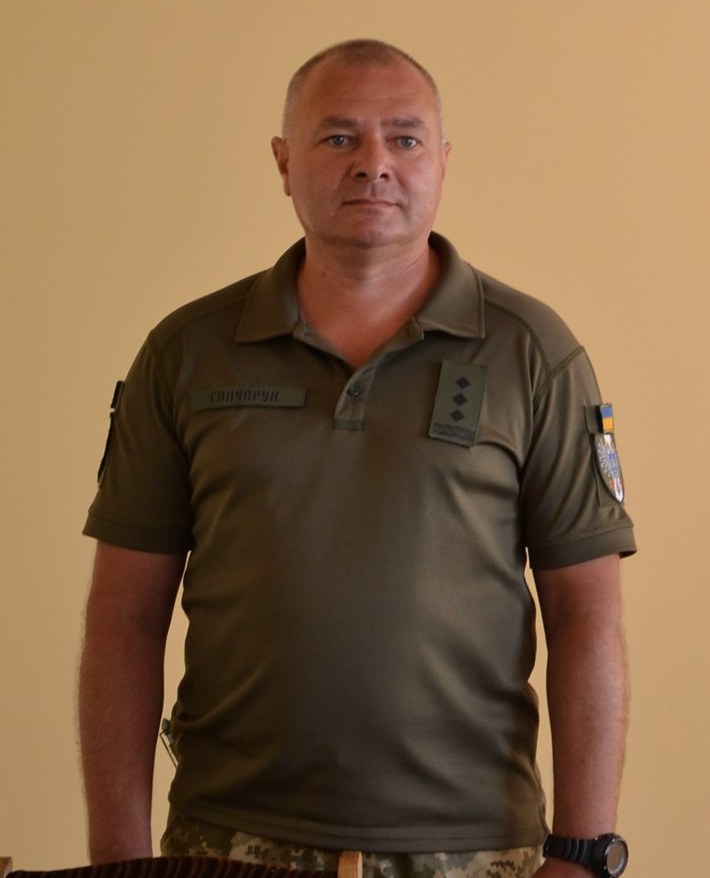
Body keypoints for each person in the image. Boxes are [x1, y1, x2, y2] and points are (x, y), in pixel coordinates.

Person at [79, 39, 636, 878]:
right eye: (338, 137)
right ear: (283, 161)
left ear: (442, 162)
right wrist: (117, 858)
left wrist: (584, 853)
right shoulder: (187, 352)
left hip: (477, 849)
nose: (374, 163)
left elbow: (586, 614)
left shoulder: (533, 353)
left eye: (405, 138)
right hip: (226, 839)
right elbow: (124, 616)